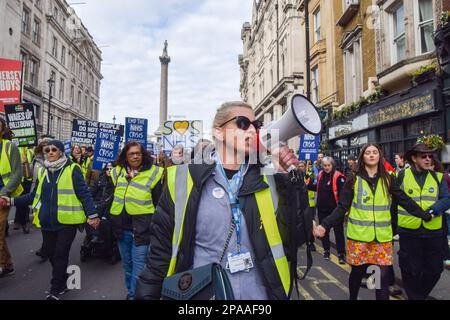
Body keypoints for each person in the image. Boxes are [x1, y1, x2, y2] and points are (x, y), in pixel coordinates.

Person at [135, 101, 311, 300]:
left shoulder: (270, 177)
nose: (252, 130)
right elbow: (160, 251)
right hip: (205, 294)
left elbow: (297, 238)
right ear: (218, 132)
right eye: (243, 123)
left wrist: (289, 183)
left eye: (256, 124)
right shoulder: (184, 179)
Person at [314, 143, 431, 300]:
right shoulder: (353, 180)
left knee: (380, 277)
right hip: (359, 237)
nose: (371, 155)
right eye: (368, 152)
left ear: (379, 156)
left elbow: (404, 200)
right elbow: (342, 207)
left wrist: (424, 215)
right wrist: (325, 225)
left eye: (374, 152)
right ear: (363, 157)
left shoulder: (388, 179)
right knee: (357, 273)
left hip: (381, 238)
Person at [5, 140, 99, 299]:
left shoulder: (72, 169)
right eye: (47, 150)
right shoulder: (42, 171)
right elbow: (33, 196)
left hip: (67, 222)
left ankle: (56, 288)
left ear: (61, 152)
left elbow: (84, 194)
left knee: (60, 253)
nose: (49, 152)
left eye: (53, 149)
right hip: (47, 222)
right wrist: (12, 201)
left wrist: (92, 215)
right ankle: (62, 278)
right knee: (50, 253)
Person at [108, 142, 164, 300]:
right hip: (121, 228)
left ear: (143, 154)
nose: (135, 156)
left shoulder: (155, 172)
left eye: (138, 153)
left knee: (139, 267)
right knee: (127, 266)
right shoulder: (116, 172)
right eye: (131, 153)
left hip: (142, 230)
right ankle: (131, 292)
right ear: (125, 156)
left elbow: (159, 203)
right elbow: (112, 195)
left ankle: (134, 296)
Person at [394, 144, 450, 300]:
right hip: (408, 231)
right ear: (414, 158)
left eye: (430, 156)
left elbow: (446, 199)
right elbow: (393, 201)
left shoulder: (437, 177)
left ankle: (417, 296)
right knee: (410, 269)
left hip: (433, 232)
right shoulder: (401, 176)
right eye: (423, 156)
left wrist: (433, 210)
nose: (427, 159)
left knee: (435, 270)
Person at [308, 157, 346, 264]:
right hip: (322, 209)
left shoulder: (339, 177)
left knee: (339, 232)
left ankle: (341, 254)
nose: (326, 168)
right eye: (325, 165)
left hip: (335, 210)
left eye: (329, 165)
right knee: (324, 232)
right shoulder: (320, 175)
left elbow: (343, 194)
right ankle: (326, 250)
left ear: (332, 165)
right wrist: (307, 183)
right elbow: (317, 187)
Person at [0, 118, 23, 278]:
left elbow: (17, 173)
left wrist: (5, 191)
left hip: (2, 196)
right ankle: (7, 265)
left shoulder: (10, 146)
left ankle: (1, 266)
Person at [13, 146, 34, 233]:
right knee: (18, 202)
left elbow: (31, 164)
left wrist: (26, 162)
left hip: (27, 180)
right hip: (17, 179)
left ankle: (23, 223)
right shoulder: (15, 148)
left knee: (24, 202)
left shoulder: (30, 151)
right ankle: (18, 221)